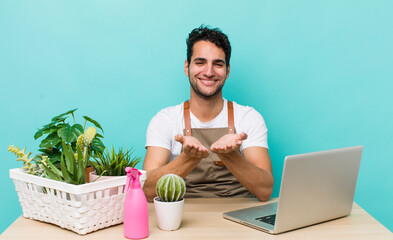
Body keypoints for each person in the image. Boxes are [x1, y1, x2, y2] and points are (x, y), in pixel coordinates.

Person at [142, 25, 273, 202]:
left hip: (241, 218)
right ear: (187, 67)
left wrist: (229, 155)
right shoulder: (165, 120)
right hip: (181, 219)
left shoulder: (248, 117)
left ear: (227, 71)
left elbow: (265, 190)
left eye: (218, 64)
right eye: (200, 62)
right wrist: (187, 158)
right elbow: (147, 190)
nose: (209, 72)